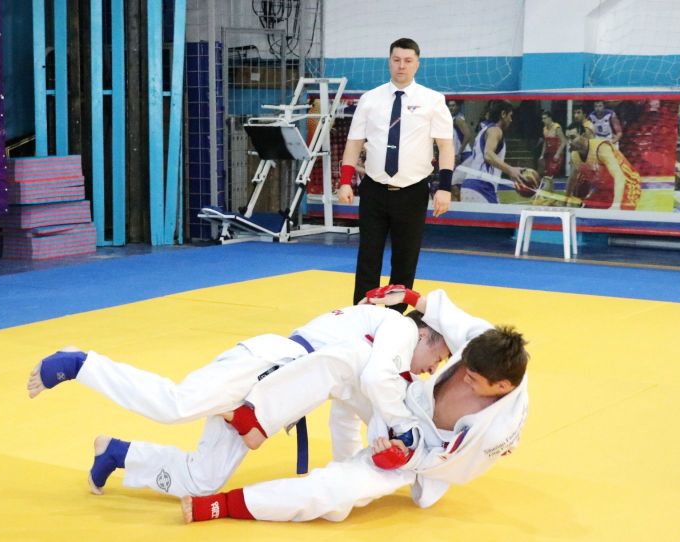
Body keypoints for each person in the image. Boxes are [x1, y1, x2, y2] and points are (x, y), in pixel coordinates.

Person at [26, 298, 453, 496]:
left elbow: (346, 417)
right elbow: (377, 382)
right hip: (264, 364)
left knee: (203, 480)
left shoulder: (376, 357)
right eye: (438, 358)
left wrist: (354, 474)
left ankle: (119, 454)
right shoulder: (399, 329)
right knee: (176, 404)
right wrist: (402, 427)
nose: (431, 370)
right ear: (426, 334)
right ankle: (79, 363)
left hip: (274, 392)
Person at [181, 289, 529, 523]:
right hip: (406, 406)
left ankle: (223, 505)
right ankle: (255, 418)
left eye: (473, 380)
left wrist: (405, 453)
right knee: (352, 361)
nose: (462, 378)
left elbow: (449, 465)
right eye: (464, 370)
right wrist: (408, 296)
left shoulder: (493, 431)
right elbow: (450, 317)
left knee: (335, 497)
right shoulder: (484, 340)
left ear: (501, 387)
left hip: (419, 453)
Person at [336, 38, 454, 313]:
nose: (402, 66)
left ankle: (395, 315)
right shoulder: (370, 99)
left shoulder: (433, 100)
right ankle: (362, 313)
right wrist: (344, 181)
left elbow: (445, 146)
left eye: (408, 61)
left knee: (405, 257)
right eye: (397, 60)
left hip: (412, 190)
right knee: (368, 255)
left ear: (417, 64)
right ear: (389, 61)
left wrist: (445, 187)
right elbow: (354, 142)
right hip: (374, 189)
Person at [456, 100, 525, 204]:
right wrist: (510, 170)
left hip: (470, 186)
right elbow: (488, 155)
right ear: (503, 114)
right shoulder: (495, 130)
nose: (511, 120)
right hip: (482, 187)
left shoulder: (483, 130)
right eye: (510, 116)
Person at [564, 122, 641, 210]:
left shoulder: (601, 148)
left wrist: (616, 205)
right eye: (567, 138)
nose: (569, 142)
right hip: (605, 188)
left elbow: (619, 176)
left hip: (627, 183)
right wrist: (565, 200)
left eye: (572, 137)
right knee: (587, 212)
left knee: (619, 214)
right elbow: (572, 179)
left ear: (584, 135)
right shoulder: (574, 155)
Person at [539, 111, 566, 177]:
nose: (543, 120)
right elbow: (545, 143)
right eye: (542, 118)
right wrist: (542, 155)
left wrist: (557, 154)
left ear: (550, 118)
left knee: (552, 172)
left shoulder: (557, 127)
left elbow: (564, 141)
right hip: (548, 154)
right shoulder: (544, 129)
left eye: (545, 118)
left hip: (557, 154)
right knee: (546, 173)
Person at [448, 100, 474, 166]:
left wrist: (460, 152)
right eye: (449, 106)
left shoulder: (458, 119)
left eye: (453, 105)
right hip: (457, 154)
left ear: (458, 107)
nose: (451, 108)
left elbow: (468, 135)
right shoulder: (452, 119)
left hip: (464, 154)